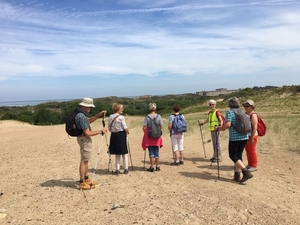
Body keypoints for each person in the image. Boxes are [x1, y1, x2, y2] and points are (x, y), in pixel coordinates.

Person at [75, 97, 108, 190]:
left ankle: (86, 179)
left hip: (82, 138)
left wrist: (98, 115)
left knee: (86, 159)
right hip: (84, 138)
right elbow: (87, 132)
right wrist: (101, 131)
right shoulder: (81, 116)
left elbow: (88, 121)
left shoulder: (81, 114)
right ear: (85, 106)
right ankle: (82, 182)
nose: (90, 109)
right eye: (90, 107)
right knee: (84, 160)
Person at [220, 97, 253, 183]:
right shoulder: (242, 111)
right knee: (238, 155)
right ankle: (237, 174)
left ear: (229, 104)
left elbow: (228, 124)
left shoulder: (229, 112)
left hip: (235, 137)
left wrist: (220, 128)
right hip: (244, 136)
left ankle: (246, 172)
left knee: (232, 155)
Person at [108, 103, 129, 175]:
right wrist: (127, 131)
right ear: (118, 109)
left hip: (114, 135)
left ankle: (117, 169)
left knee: (117, 154)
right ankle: (126, 169)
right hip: (121, 135)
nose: (122, 110)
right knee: (124, 153)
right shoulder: (121, 117)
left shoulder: (110, 117)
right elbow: (124, 126)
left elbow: (109, 128)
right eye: (121, 108)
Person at [142, 103, 163, 172]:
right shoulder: (159, 116)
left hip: (149, 136)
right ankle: (157, 166)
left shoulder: (147, 117)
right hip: (157, 136)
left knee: (151, 151)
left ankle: (152, 166)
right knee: (156, 151)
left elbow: (144, 127)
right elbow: (161, 126)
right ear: (155, 108)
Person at [243, 99, 258, 172]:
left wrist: (252, 138)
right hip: (246, 135)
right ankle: (250, 164)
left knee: (252, 150)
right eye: (245, 106)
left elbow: (255, 127)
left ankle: (254, 165)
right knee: (248, 150)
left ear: (252, 106)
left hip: (252, 135)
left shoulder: (253, 115)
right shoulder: (246, 114)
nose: (245, 107)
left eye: (247, 106)